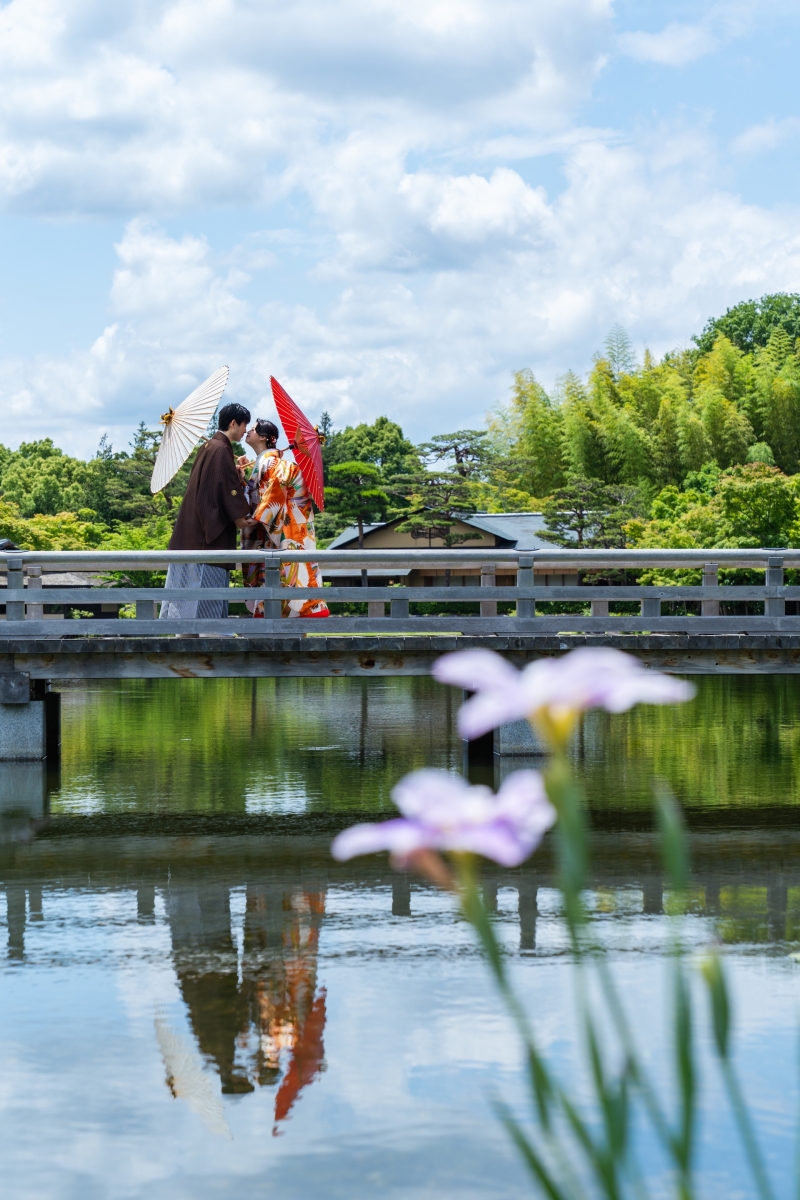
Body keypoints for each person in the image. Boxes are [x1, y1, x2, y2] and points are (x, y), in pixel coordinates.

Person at [160, 402, 253, 620]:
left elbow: (220, 484)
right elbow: (221, 488)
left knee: (185, 601)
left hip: (190, 533)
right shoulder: (220, 450)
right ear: (233, 423)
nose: (245, 430)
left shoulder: (211, 447)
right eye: (244, 425)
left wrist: (236, 476)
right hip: (206, 538)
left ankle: (185, 636)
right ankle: (209, 634)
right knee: (205, 601)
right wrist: (239, 516)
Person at [240, 418, 330, 618]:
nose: (248, 432)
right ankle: (282, 618)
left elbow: (274, 491)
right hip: (275, 525)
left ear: (264, 437)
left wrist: (253, 518)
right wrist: (242, 476)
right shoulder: (267, 461)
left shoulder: (273, 462)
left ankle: (289, 616)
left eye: (253, 429)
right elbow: (258, 492)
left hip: (285, 527)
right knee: (278, 571)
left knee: (285, 572)